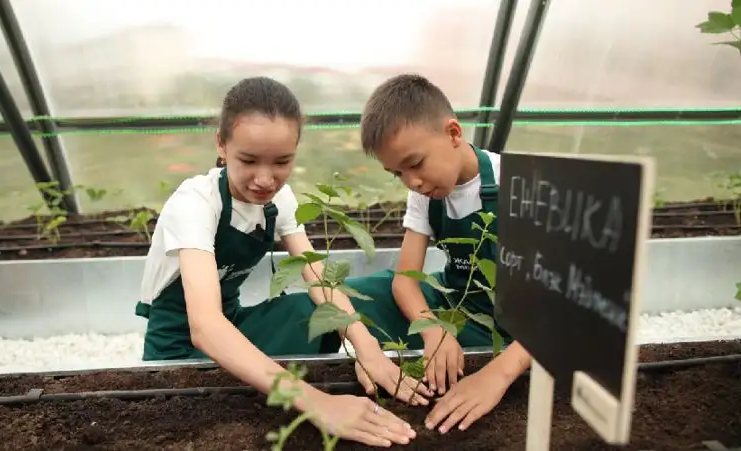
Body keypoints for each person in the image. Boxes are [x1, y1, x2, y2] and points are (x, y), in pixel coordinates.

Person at [133, 76, 431, 447]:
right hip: (178, 355)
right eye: (248, 160)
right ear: (221, 146)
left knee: (327, 307)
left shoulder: (281, 200)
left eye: (282, 162)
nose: (264, 178)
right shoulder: (195, 203)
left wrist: (366, 347)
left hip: (236, 327)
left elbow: (316, 276)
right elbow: (206, 327)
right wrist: (318, 404)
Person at [346, 74, 533, 434]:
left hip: (513, 330)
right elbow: (405, 282)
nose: (411, 182)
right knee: (360, 293)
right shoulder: (424, 194)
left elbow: (561, 310)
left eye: (415, 164)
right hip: (456, 310)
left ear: (453, 133)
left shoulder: (519, 184)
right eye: (397, 173)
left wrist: (497, 375)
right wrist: (434, 329)